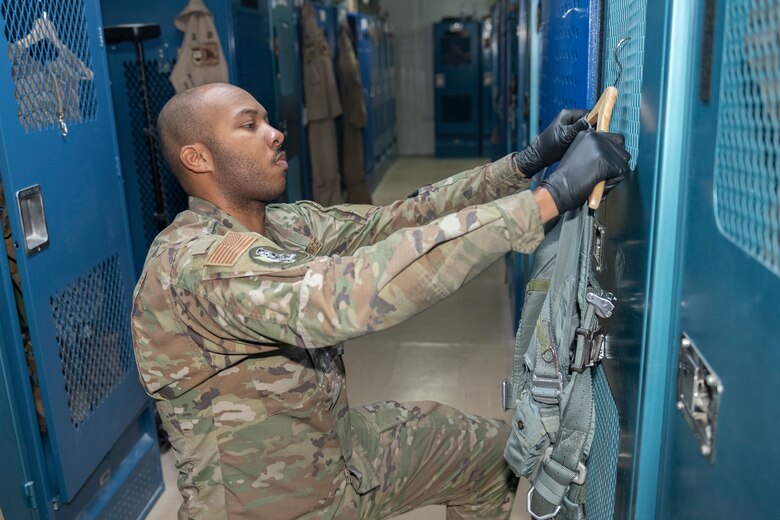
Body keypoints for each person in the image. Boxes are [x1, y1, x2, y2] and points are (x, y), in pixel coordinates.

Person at [131, 82, 629, 519]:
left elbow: (398, 221)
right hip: (266, 505)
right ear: (198, 158)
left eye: (268, 119)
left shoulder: (283, 225)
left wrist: (527, 162)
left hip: (336, 455)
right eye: (249, 124)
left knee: (488, 457)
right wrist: (549, 200)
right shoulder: (198, 263)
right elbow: (350, 296)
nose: (276, 132)